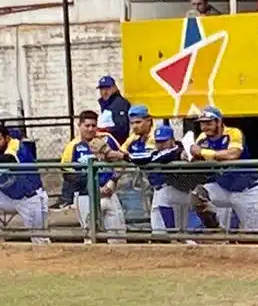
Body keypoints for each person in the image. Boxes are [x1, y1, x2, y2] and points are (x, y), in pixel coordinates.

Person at [191, 106, 258, 231]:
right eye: (202, 123)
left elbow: (233, 154)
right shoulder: (202, 137)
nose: (204, 127)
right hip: (222, 187)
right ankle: (215, 228)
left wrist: (203, 152)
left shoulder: (233, 132)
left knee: (254, 235)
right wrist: (187, 154)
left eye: (208, 123)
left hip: (246, 189)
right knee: (198, 195)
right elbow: (195, 155)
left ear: (219, 122)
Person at [0, 121, 46, 238]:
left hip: (30, 198)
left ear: (7, 138)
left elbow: (9, 159)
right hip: (10, 198)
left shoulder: (16, 146)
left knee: (39, 240)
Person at [60, 109, 127, 237]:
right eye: (87, 125)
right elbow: (67, 174)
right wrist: (94, 187)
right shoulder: (73, 146)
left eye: (93, 125)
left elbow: (122, 162)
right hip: (85, 196)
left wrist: (112, 181)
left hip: (109, 192)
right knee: (90, 235)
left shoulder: (107, 140)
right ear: (79, 126)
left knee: (118, 235)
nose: (90, 129)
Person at [127, 115, 192, 234]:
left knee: (179, 231)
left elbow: (153, 158)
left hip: (181, 191)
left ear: (172, 140)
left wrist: (125, 156)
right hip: (164, 192)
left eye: (164, 141)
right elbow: (151, 156)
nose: (161, 144)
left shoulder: (176, 150)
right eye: (158, 141)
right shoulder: (157, 152)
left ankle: (174, 236)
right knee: (159, 232)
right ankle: (173, 238)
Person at [96, 76, 132, 144]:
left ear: (114, 88)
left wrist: (105, 130)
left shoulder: (119, 104)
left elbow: (122, 128)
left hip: (114, 144)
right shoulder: (106, 104)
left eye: (107, 88)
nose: (104, 92)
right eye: (101, 89)